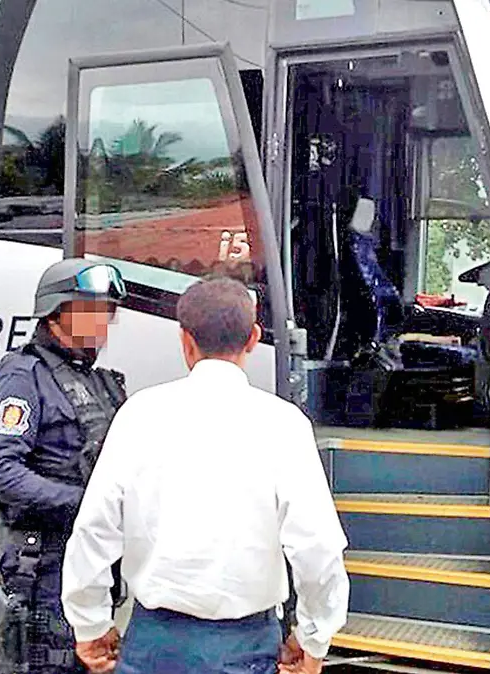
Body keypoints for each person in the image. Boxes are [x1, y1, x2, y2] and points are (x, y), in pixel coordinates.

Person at [61, 275, 350, 674]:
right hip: (246, 647)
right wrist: (313, 639)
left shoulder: (138, 415)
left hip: (153, 644)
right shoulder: (284, 425)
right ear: (253, 338)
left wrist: (90, 624)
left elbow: (94, 531)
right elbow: (318, 549)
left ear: (185, 341)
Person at [0, 257, 131, 674]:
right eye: (94, 309)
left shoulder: (100, 382)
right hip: (45, 565)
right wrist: (86, 505)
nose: (105, 321)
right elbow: (0, 473)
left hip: (91, 562)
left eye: (109, 311)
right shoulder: (21, 377)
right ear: (57, 312)